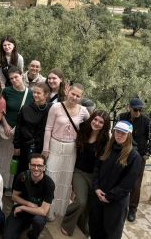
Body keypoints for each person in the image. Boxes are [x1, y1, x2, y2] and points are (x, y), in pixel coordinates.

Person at [42, 83, 89, 219]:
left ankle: (59, 209)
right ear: (68, 92)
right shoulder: (56, 107)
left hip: (71, 149)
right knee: (51, 176)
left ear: (81, 97)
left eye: (78, 96)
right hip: (54, 145)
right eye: (73, 94)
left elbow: (91, 126)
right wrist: (46, 148)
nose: (74, 97)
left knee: (65, 179)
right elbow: (48, 128)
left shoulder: (84, 111)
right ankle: (48, 211)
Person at [60, 110, 111, 237]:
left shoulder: (105, 140)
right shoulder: (83, 129)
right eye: (95, 119)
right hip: (79, 172)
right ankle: (67, 223)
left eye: (101, 122)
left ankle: (82, 226)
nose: (97, 123)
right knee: (81, 201)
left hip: (94, 176)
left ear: (104, 125)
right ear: (91, 119)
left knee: (88, 205)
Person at [89, 121, 142, 239]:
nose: (119, 135)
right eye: (117, 132)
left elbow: (128, 184)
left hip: (116, 203)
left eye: (123, 133)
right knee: (95, 229)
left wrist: (109, 196)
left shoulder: (134, 156)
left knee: (112, 233)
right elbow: (97, 168)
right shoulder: (107, 148)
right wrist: (96, 188)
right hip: (98, 197)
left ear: (129, 135)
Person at [117, 97, 151, 222]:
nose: (138, 112)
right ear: (129, 107)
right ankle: (117, 205)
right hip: (123, 154)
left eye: (140, 109)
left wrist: (147, 154)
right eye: (135, 109)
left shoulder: (147, 121)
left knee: (136, 184)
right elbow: (116, 134)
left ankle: (132, 209)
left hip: (139, 156)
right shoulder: (122, 117)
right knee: (119, 179)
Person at [3, 153, 55, 239]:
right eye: (33, 165)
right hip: (21, 212)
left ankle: (32, 234)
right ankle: (23, 225)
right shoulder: (22, 176)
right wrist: (28, 204)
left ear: (44, 167)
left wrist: (23, 207)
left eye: (39, 165)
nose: (36, 168)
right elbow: (14, 196)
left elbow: (43, 211)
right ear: (29, 166)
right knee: (7, 237)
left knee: (38, 221)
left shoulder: (49, 184)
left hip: (37, 213)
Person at [0, 67, 33, 191]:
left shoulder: (30, 94)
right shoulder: (6, 91)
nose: (13, 80)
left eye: (16, 77)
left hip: (20, 133)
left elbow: (30, 114)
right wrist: (5, 125)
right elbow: (0, 110)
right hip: (6, 130)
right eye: (11, 78)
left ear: (22, 76)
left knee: (14, 159)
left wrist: (17, 128)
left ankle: (9, 185)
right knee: (2, 157)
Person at [13, 83, 51, 175]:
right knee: (23, 172)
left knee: (37, 173)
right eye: (34, 92)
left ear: (46, 95)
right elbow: (18, 128)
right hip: (26, 146)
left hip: (42, 148)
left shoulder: (51, 109)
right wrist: (16, 146)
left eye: (38, 93)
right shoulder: (25, 108)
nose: (35, 95)